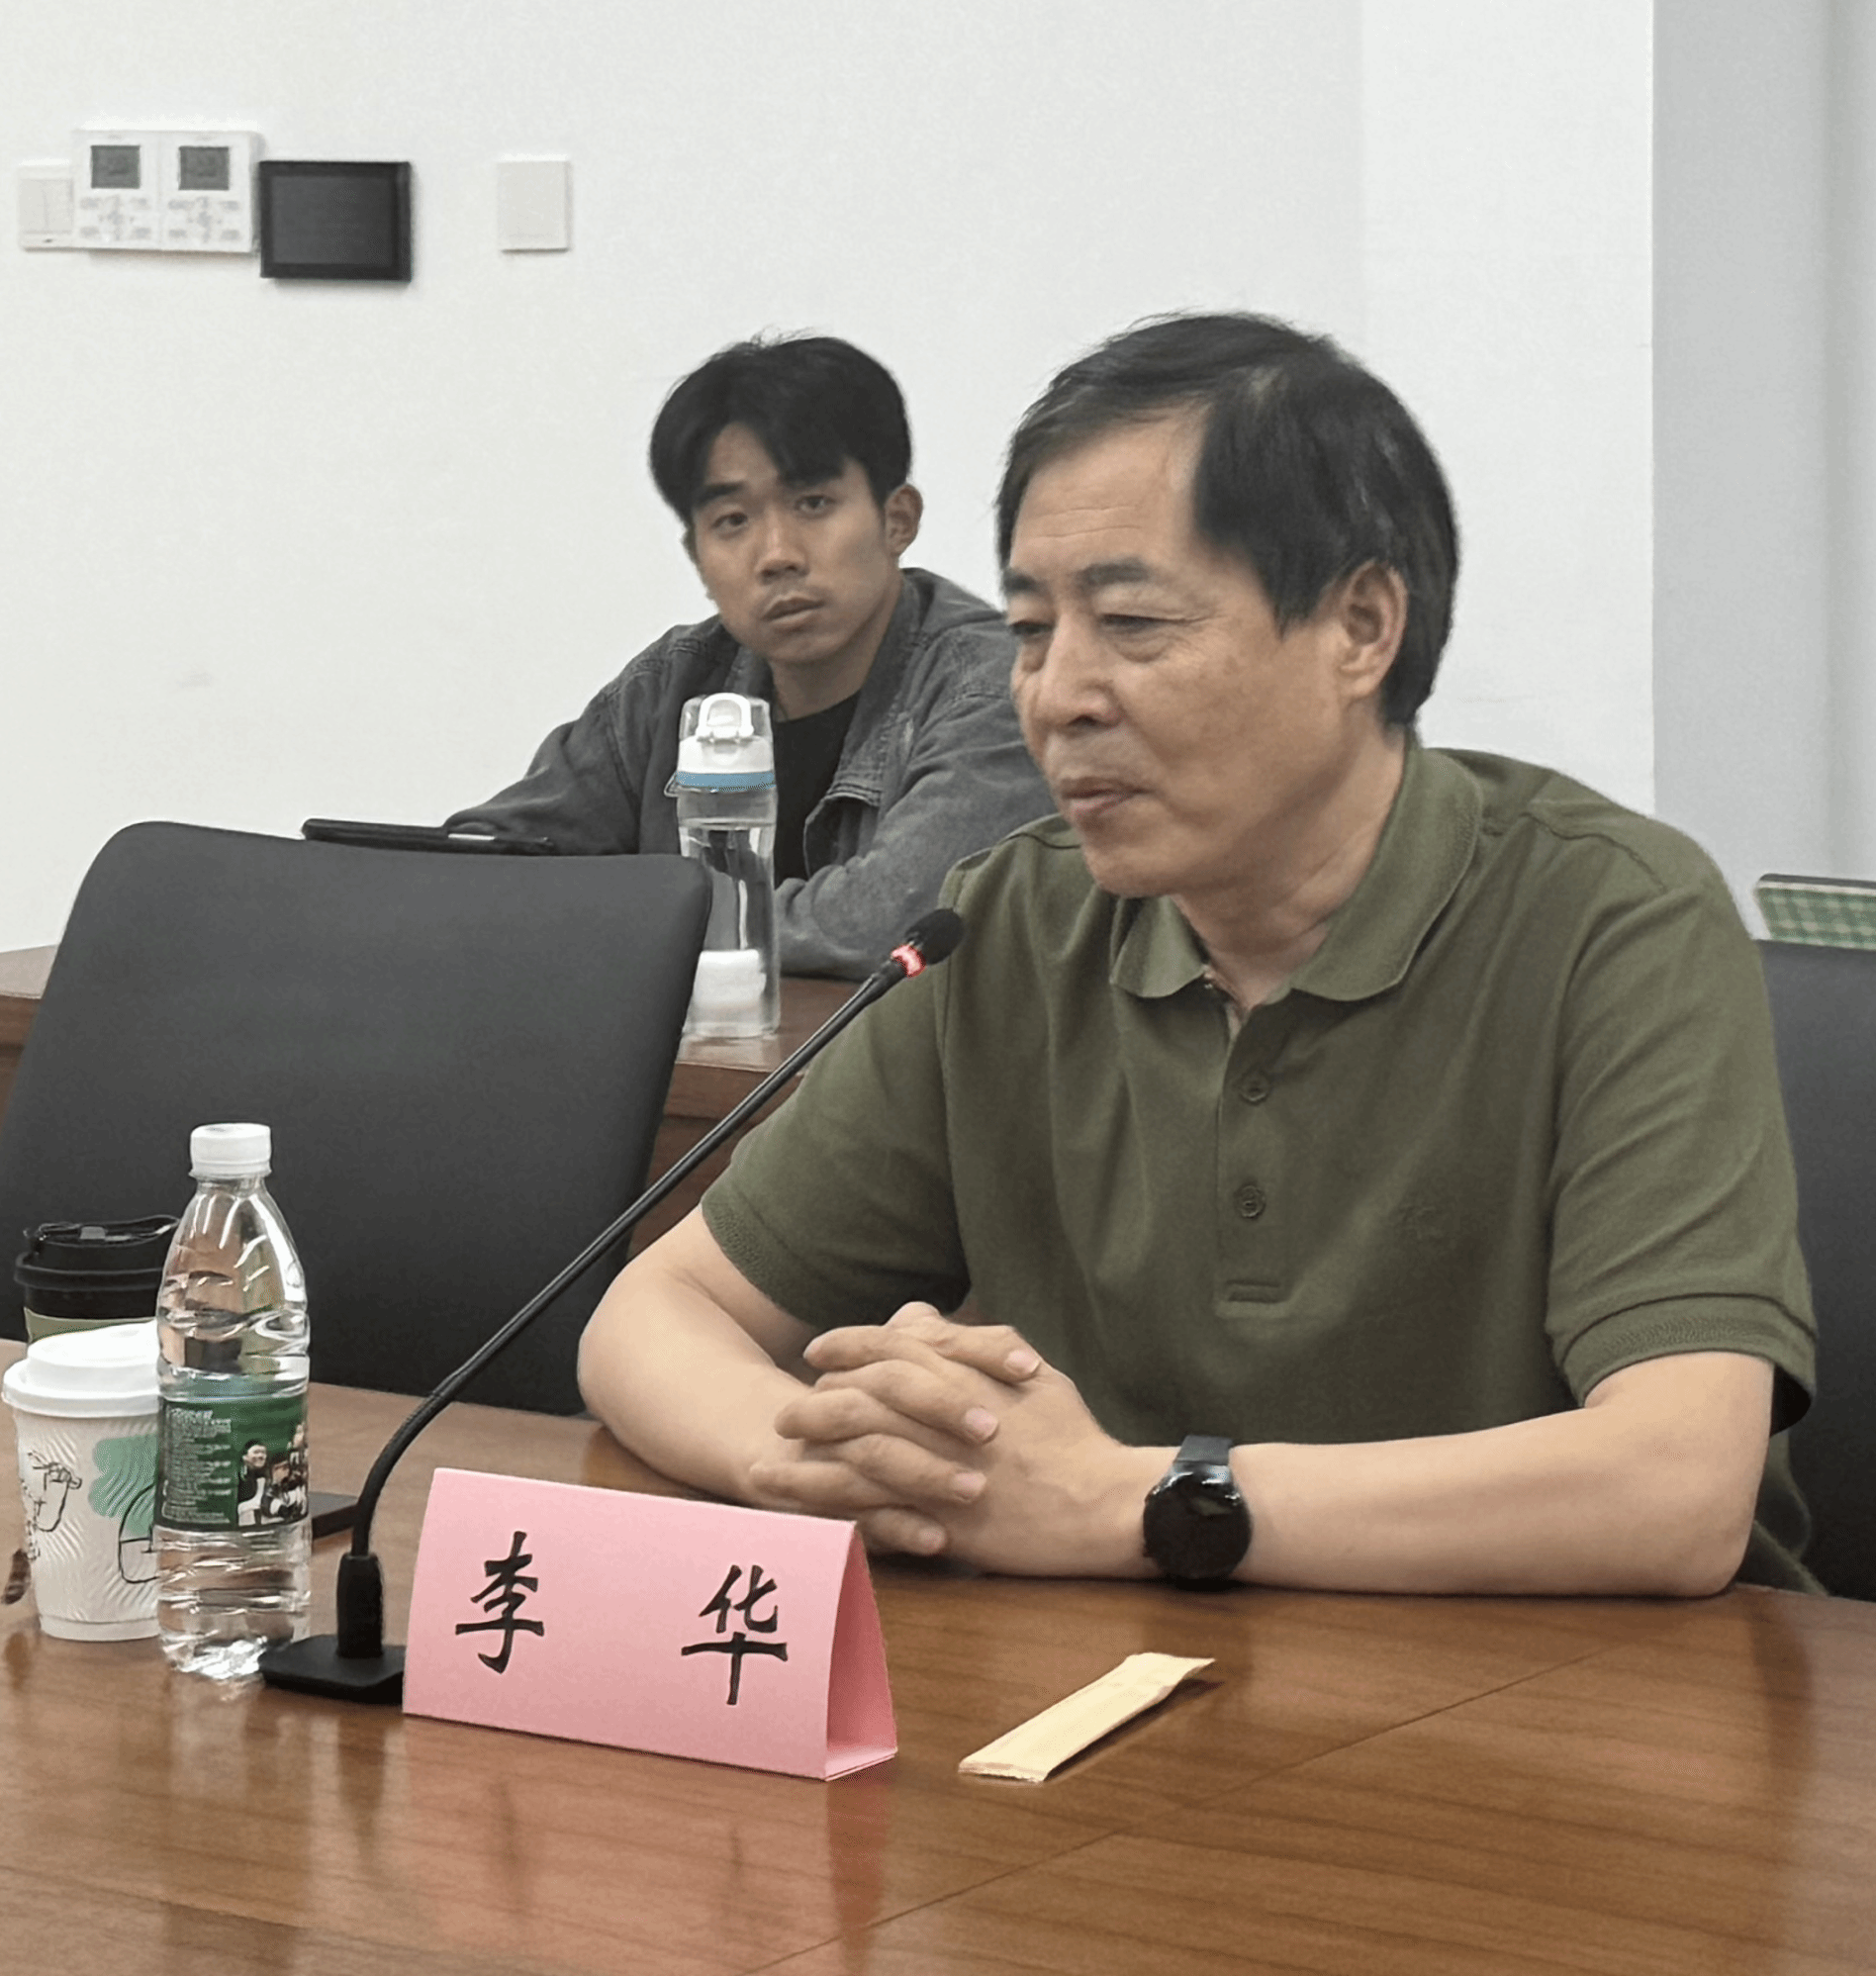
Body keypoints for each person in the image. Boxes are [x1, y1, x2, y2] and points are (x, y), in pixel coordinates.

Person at [576, 312, 1819, 1599]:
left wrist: (1136, 1501)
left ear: (1359, 626)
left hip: (1581, 1697)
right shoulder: (1005, 924)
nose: (1058, 695)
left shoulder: (1612, 918)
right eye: (1030, 630)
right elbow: (653, 1319)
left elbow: (1677, 1485)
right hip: (1127, 1675)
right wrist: (825, 1459)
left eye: (1131, 622)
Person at [447, 334, 1053, 979]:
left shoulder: (991, 688)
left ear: (897, 519)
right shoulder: (672, 682)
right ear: (697, 557)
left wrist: (627, 911)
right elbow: (481, 871)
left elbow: (879, 922)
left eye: (813, 504)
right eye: (733, 521)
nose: (777, 555)